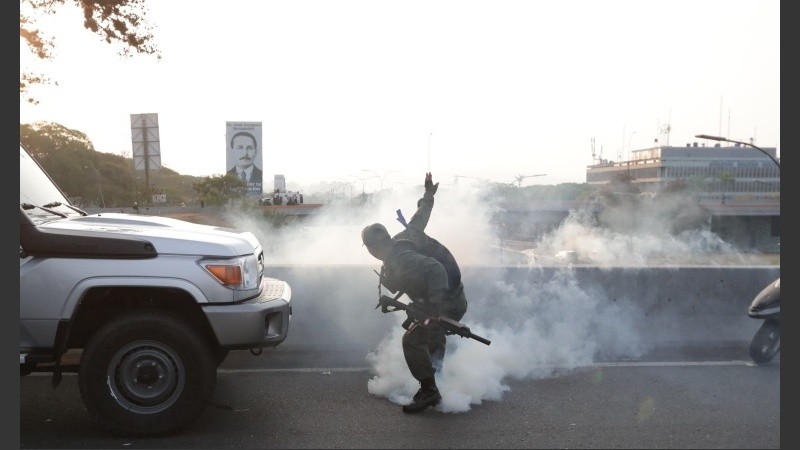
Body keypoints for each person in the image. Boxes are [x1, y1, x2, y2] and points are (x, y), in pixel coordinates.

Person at [361, 172, 468, 414]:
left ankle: (430, 391)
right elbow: (421, 215)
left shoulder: (401, 258)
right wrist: (428, 194)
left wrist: (433, 305)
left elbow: (435, 269)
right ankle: (439, 381)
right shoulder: (405, 236)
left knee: (411, 339)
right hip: (456, 297)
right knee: (433, 336)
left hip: (446, 303)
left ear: (372, 248)